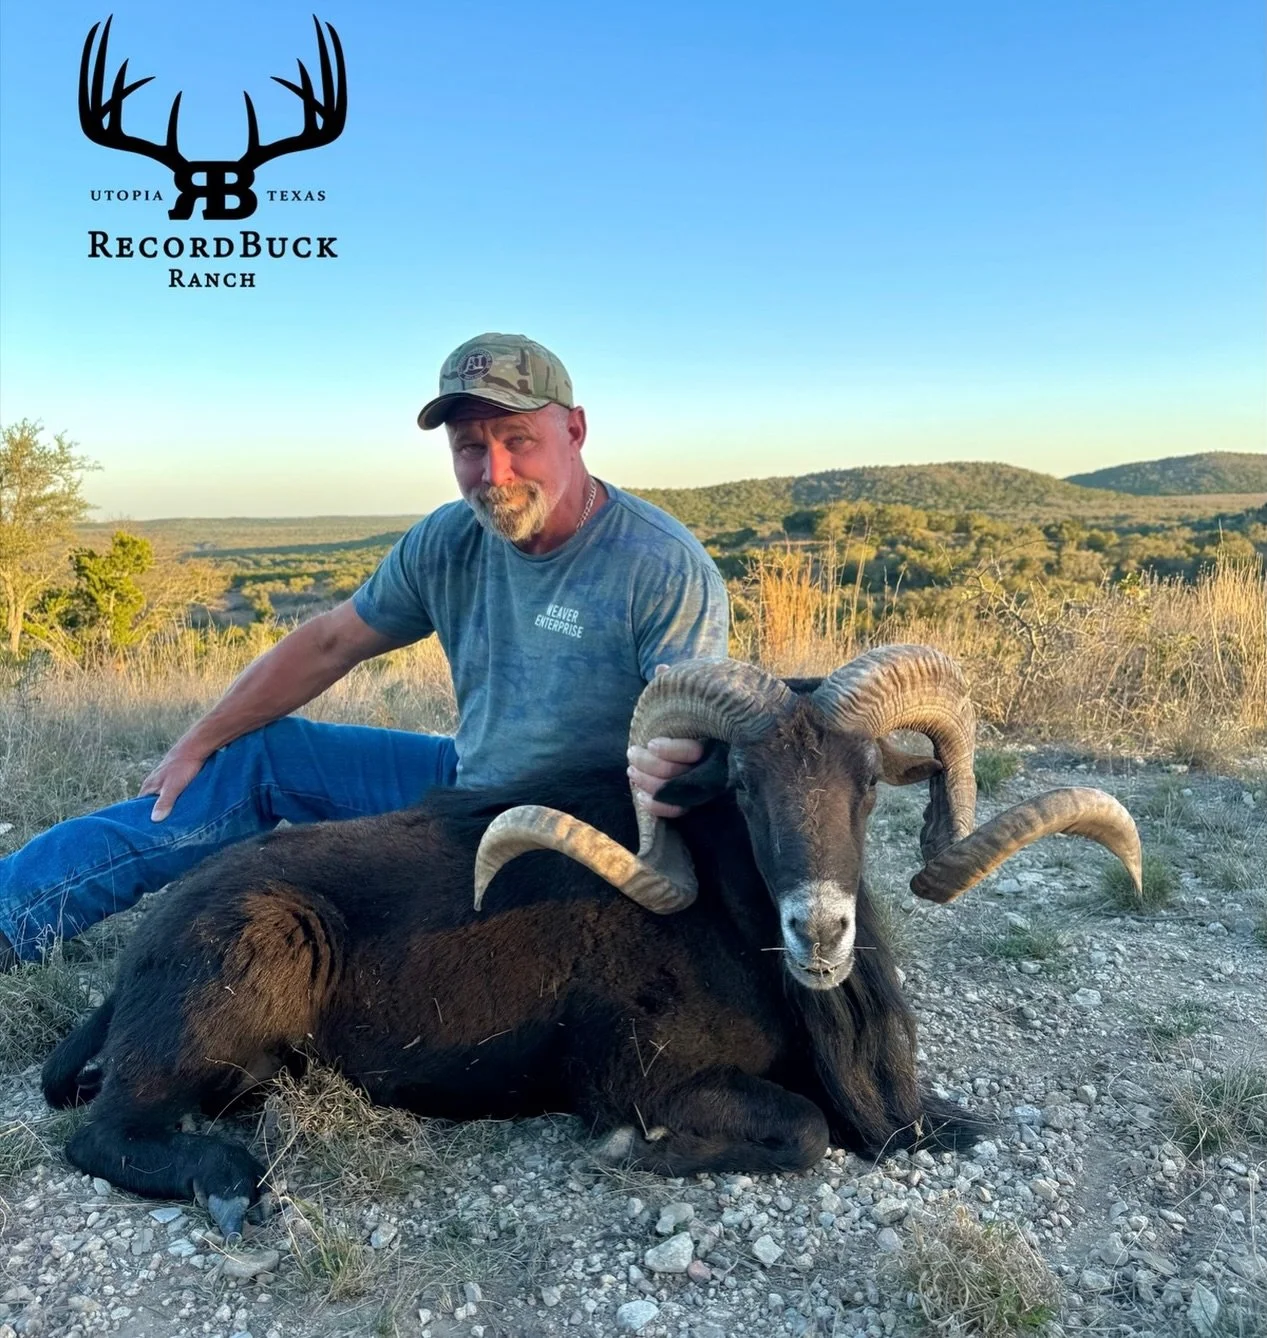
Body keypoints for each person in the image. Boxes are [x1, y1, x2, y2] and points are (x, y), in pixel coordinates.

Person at [0, 333, 730, 966]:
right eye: (470, 447)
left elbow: (692, 731)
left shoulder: (659, 564)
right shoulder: (447, 540)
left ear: (574, 430)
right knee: (262, 756)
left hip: (562, 824)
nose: (493, 473)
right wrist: (199, 739)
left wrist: (682, 757)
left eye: (517, 441)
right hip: (464, 775)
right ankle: (15, 919)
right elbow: (330, 642)